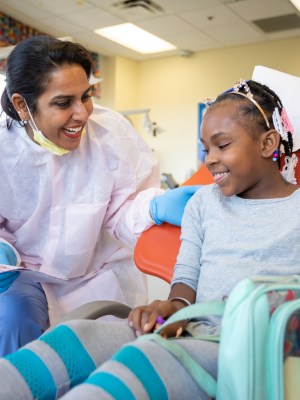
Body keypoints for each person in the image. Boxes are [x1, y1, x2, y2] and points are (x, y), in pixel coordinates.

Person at [1, 78, 299, 400]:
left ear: (268, 143)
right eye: (205, 149)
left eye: (222, 145)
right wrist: (171, 307)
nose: (209, 159)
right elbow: (186, 280)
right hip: (189, 325)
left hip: (251, 345)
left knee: (142, 360)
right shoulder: (205, 202)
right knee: (75, 336)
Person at [0, 35, 200, 357]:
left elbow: (123, 210)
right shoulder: (3, 152)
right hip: (26, 285)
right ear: (23, 104)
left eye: (87, 95)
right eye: (64, 103)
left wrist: (154, 206)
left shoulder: (111, 134)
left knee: (104, 366)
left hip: (100, 279)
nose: (82, 114)